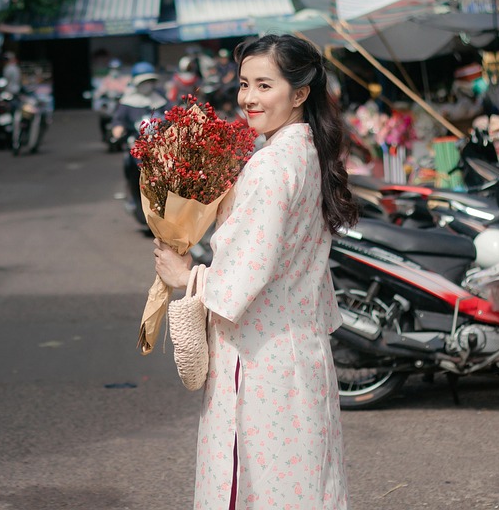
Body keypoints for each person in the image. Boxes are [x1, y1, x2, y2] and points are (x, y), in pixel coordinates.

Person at [153, 34, 357, 509]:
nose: (249, 98)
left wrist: (185, 275)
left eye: (265, 85)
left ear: (299, 92)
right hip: (300, 352)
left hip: (262, 359)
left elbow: (243, 277)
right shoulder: (308, 153)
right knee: (304, 483)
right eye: (245, 84)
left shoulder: (270, 167)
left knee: (257, 488)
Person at [109, 62, 169, 142]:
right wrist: (118, 128)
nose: (146, 85)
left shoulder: (160, 98)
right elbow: (119, 119)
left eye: (149, 81)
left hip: (159, 140)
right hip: (135, 140)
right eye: (143, 82)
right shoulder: (127, 101)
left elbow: (170, 114)